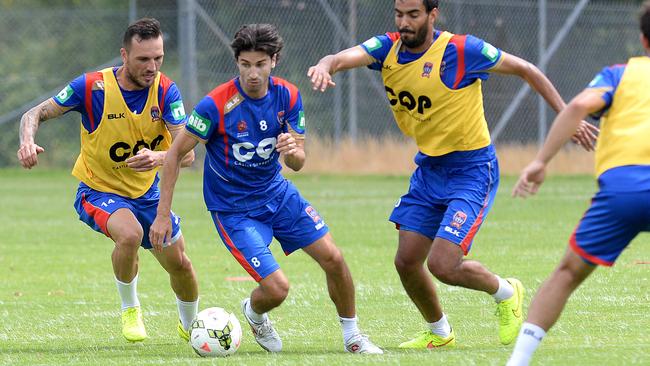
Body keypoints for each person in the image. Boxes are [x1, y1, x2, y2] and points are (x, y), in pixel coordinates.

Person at [308, 0, 597, 349]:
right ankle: (440, 332)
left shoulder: (461, 50)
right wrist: (325, 66)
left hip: (472, 169)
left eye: (413, 15)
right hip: (429, 169)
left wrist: (569, 116)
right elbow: (338, 59)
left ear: (432, 14)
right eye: (399, 14)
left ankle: (506, 292)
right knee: (407, 261)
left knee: (444, 264)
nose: (404, 22)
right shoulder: (387, 48)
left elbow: (527, 69)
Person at [149, 23, 382, 354]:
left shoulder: (288, 95)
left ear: (274, 60)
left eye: (259, 64)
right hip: (235, 211)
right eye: (245, 65)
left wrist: (292, 150)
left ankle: (353, 337)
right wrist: (162, 215)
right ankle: (254, 313)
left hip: (279, 195)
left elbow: (299, 162)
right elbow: (175, 155)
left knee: (334, 258)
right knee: (277, 289)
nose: (252, 73)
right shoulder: (215, 104)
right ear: (237, 63)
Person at [16, 18, 199, 343]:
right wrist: (27, 141)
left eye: (158, 58)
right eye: (144, 59)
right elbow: (33, 114)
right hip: (98, 190)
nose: (152, 66)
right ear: (124, 56)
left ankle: (192, 327)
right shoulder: (91, 87)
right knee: (130, 235)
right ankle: (130, 309)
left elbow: (186, 155)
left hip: (147, 195)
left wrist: (158, 158)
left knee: (181, 265)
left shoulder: (167, 91)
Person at [508, 3, 650, 365]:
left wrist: (541, 162)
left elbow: (576, 107)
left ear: (643, 39)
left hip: (624, 191)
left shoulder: (621, 74)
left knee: (568, 273)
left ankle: (518, 362)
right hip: (626, 187)